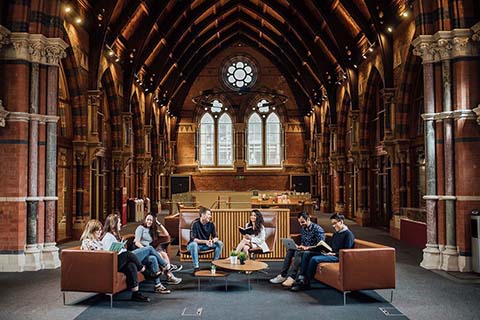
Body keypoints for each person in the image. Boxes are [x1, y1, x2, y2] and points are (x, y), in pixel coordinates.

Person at [81, 218, 150, 303]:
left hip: (107, 263)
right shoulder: (87, 242)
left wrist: (114, 251)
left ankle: (136, 294)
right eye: (97, 231)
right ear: (91, 231)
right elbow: (94, 256)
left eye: (100, 230)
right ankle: (145, 271)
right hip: (102, 267)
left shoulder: (98, 241)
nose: (99, 232)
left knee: (131, 265)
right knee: (127, 255)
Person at [102, 213, 171, 295]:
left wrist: (121, 246)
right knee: (149, 249)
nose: (121, 224)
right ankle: (165, 266)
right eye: (119, 223)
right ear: (114, 225)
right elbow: (108, 253)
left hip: (124, 257)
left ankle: (157, 285)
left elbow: (167, 236)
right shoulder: (108, 237)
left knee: (152, 258)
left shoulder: (115, 235)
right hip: (123, 258)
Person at [291, 213, 355, 291]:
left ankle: (306, 282)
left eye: (335, 223)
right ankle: (301, 278)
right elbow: (331, 246)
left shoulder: (348, 234)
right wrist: (324, 249)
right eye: (332, 224)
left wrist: (334, 253)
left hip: (337, 256)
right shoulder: (336, 233)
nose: (333, 226)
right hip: (330, 253)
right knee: (306, 253)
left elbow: (346, 251)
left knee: (314, 259)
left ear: (341, 222)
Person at [270, 212, 325, 287]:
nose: (301, 224)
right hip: (304, 249)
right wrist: (298, 246)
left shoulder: (318, 229)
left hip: (314, 250)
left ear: (308, 219)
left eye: (302, 222)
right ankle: (283, 275)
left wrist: (307, 248)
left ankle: (292, 277)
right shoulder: (303, 228)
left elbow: (321, 245)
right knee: (290, 250)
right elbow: (303, 242)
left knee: (298, 253)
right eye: (300, 222)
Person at [134, 214, 182, 285]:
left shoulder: (152, 230)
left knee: (164, 254)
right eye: (148, 219)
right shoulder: (140, 228)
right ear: (145, 219)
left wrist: (159, 224)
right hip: (142, 250)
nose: (149, 221)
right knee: (158, 255)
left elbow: (167, 235)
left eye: (151, 220)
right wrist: (145, 249)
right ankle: (168, 269)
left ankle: (170, 276)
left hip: (151, 249)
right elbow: (136, 242)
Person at [187, 206, 223, 274]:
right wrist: (205, 241)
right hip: (194, 246)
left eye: (210, 214)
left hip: (206, 245)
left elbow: (216, 237)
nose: (210, 216)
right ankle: (196, 267)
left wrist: (212, 241)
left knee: (220, 243)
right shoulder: (195, 223)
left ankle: (214, 264)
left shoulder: (211, 224)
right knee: (194, 244)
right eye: (208, 214)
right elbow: (193, 239)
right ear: (202, 215)